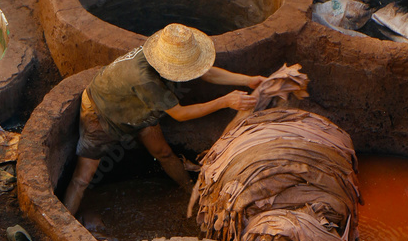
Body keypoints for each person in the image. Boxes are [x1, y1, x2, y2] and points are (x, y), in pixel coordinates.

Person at [63, 22, 265, 215]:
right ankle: (65, 223)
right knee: (82, 178)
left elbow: (207, 72)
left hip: (139, 108)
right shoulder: (146, 80)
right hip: (102, 114)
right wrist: (225, 101)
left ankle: (190, 192)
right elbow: (180, 114)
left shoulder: (162, 53)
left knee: (164, 153)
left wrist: (248, 80)